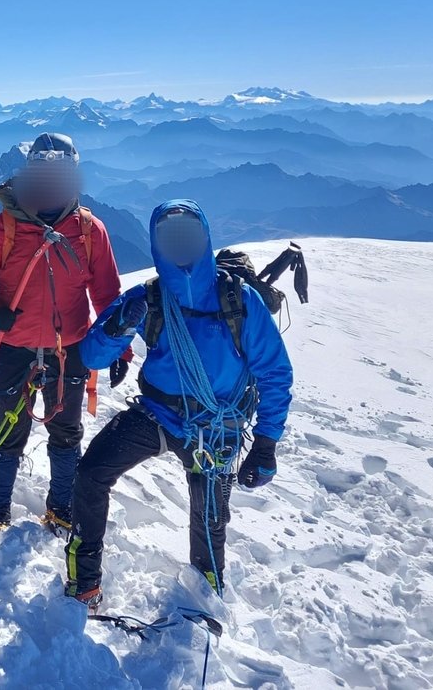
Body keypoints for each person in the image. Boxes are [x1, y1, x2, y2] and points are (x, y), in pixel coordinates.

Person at [65, 199, 293, 610]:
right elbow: (93, 356)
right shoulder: (150, 297)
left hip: (214, 424)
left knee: (210, 521)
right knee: (92, 471)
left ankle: (205, 595)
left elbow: (274, 373)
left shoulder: (237, 300)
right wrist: (118, 328)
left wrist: (266, 443)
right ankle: (85, 579)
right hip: (160, 413)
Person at [0, 133, 129, 546]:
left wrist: (119, 346)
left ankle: (61, 509)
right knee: (8, 433)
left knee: (66, 432)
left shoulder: (89, 231)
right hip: (14, 347)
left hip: (67, 349)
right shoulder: (0, 229)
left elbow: (107, 295)